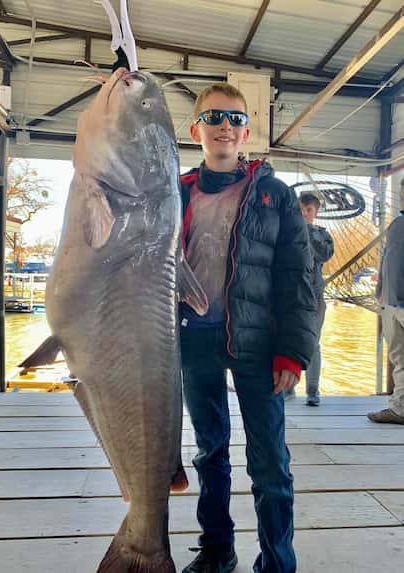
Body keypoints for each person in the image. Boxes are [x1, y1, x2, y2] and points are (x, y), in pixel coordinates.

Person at [179, 83, 317, 573]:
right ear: (196, 129)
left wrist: (293, 353)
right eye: (214, 117)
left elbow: (299, 280)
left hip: (258, 346)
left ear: (248, 133)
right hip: (193, 340)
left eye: (235, 119)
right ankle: (218, 548)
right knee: (208, 451)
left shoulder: (275, 195)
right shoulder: (174, 192)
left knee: (269, 463)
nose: (225, 126)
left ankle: (277, 562)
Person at [288, 192, 334, 406]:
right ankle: (288, 388)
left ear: (315, 213)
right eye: (301, 209)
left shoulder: (322, 235)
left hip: (314, 298)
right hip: (289, 296)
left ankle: (313, 390)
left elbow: (324, 254)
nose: (304, 214)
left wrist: (308, 232)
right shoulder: (286, 231)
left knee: (313, 344)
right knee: (288, 340)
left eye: (309, 210)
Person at [368, 177, 404, 425]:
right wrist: (380, 291)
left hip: (398, 303)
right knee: (399, 358)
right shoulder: (397, 224)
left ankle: (400, 407)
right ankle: (399, 406)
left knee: (400, 357)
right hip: (391, 302)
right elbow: (387, 263)